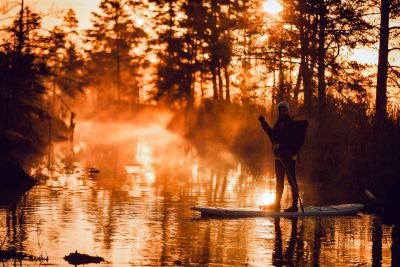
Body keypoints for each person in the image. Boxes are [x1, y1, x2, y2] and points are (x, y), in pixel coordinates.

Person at [258, 101, 304, 212]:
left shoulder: (291, 124)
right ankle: (277, 205)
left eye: (283, 110)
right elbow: (272, 135)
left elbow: (291, 140)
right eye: (280, 110)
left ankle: (294, 206)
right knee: (279, 182)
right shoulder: (279, 123)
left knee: (291, 180)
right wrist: (263, 123)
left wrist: (281, 145)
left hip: (289, 157)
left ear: (287, 111)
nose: (281, 112)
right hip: (279, 158)